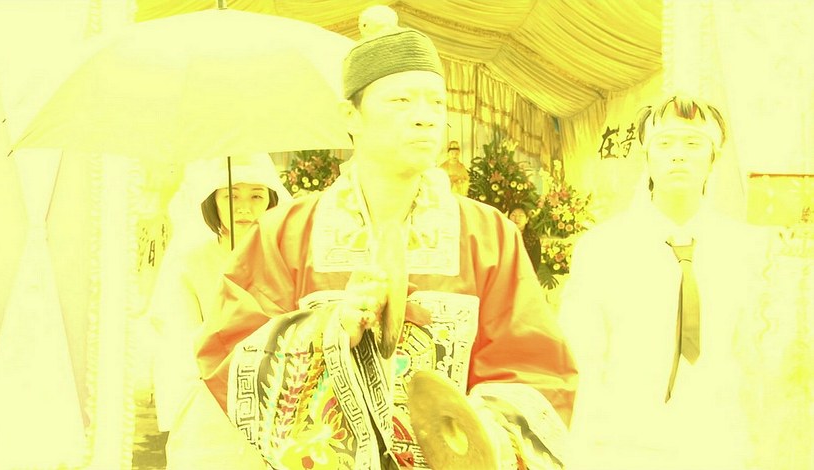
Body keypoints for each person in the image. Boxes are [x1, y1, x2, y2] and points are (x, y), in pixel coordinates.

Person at [196, 6, 576, 469]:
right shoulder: (287, 232)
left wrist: (479, 432)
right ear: (351, 115)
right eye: (401, 101)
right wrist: (328, 328)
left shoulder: (488, 234)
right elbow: (229, 347)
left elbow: (534, 365)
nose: (425, 118)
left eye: (437, 103)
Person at [558, 96, 766, 469]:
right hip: (623, 448)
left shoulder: (748, 250)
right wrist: (580, 455)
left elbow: (757, 362)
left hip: (722, 447)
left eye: (693, 143)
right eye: (665, 143)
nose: (678, 155)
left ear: (714, 158)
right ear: (647, 156)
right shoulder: (602, 248)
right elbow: (582, 359)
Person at [148, 154, 290, 469]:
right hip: (210, 406)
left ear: (271, 201)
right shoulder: (190, 264)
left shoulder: (285, 262)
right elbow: (182, 341)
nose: (244, 207)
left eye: (256, 196)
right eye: (231, 196)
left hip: (277, 406)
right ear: (213, 201)